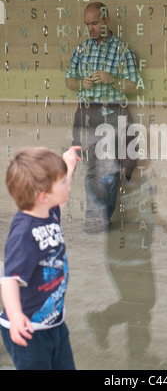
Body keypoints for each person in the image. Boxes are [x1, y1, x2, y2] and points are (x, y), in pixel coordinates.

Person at [0, 146, 81, 370]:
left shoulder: (48, 213)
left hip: (54, 323)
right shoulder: (24, 233)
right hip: (28, 331)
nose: (68, 186)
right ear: (43, 196)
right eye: (63, 182)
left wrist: (69, 167)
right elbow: (9, 279)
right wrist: (16, 316)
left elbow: (61, 202)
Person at [65, 2, 139, 234]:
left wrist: (111, 79)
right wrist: (80, 83)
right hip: (87, 114)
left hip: (112, 114)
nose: (91, 28)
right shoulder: (81, 50)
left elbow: (134, 86)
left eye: (95, 23)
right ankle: (96, 219)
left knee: (111, 169)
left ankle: (102, 215)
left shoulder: (122, 51)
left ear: (106, 21)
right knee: (92, 168)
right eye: (87, 24)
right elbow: (69, 80)